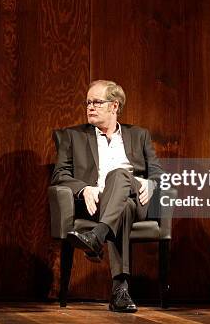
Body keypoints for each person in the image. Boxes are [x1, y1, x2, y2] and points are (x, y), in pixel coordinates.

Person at [52, 80, 164, 313]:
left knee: (120, 174)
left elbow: (158, 174)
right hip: (99, 203)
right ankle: (119, 291)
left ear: (114, 106)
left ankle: (97, 235)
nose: (90, 107)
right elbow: (59, 175)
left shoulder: (139, 135)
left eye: (96, 102)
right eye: (88, 102)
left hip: (138, 197)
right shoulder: (73, 136)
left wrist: (151, 184)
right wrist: (84, 188)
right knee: (123, 208)